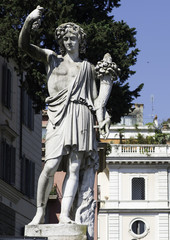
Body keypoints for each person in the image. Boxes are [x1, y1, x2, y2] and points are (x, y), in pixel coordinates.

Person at [18, 6, 110, 225]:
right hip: (59, 116)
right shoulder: (52, 59)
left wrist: (102, 117)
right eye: (66, 38)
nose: (69, 42)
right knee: (50, 165)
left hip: (82, 114)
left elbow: (95, 99)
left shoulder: (87, 67)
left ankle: (65, 215)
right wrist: (29, 21)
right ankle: (40, 212)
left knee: (75, 167)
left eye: (73, 38)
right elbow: (24, 45)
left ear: (80, 41)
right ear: (62, 42)